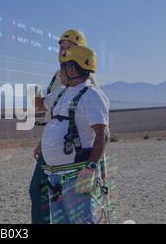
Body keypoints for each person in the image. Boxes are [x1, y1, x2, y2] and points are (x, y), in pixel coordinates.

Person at [35, 45, 110, 224]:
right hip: (54, 178)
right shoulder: (62, 93)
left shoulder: (91, 95)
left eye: (63, 67)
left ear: (73, 68)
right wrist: (32, 91)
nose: (60, 72)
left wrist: (90, 169)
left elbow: (103, 135)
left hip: (76, 177)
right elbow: (40, 106)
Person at [29, 29, 88, 224]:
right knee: (40, 191)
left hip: (71, 148)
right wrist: (42, 142)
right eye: (61, 47)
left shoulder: (86, 81)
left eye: (68, 47)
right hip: (52, 145)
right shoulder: (57, 76)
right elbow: (53, 112)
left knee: (54, 194)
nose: (62, 51)